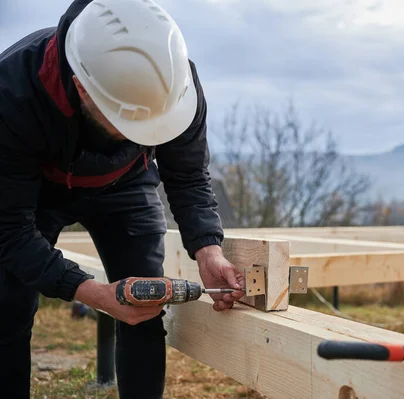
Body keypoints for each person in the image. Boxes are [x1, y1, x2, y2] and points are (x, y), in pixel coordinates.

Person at [0, 0, 246, 398]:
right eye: (132, 123)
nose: (146, 133)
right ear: (83, 86)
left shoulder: (174, 84)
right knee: (6, 305)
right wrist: (93, 293)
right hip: (35, 188)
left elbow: (187, 175)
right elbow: (10, 233)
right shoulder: (12, 92)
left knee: (145, 312)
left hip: (126, 184)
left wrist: (207, 248)